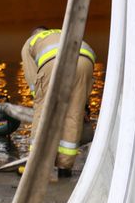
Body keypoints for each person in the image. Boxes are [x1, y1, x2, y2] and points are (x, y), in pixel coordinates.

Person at [21, 27, 97, 177]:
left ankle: (37, 163)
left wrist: (39, 97)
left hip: (54, 62)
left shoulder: (31, 42)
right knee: (74, 113)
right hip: (86, 60)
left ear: (35, 33)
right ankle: (65, 167)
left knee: (42, 113)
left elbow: (32, 79)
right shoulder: (62, 32)